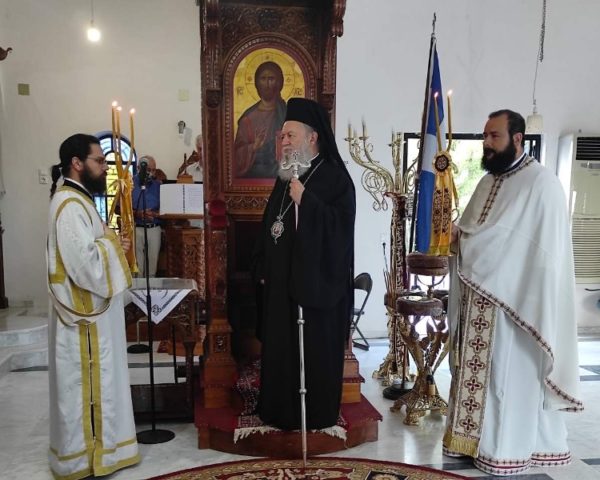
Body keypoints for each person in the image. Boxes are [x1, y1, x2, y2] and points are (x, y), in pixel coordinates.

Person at [443, 110, 583, 476]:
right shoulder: (488, 182)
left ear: (517, 138)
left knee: (507, 378)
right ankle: (469, 441)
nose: (487, 144)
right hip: (481, 301)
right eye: (485, 136)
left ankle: (505, 449)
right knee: (480, 377)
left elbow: (523, 247)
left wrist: (466, 239)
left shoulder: (541, 184)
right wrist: (456, 234)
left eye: (494, 136)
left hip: (519, 307)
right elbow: (479, 231)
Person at [253, 97, 356, 430]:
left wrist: (306, 201)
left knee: (312, 352)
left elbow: (340, 231)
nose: (284, 141)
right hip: (281, 286)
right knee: (281, 348)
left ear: (312, 137)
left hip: (316, 291)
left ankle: (314, 414)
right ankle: (278, 410)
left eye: (291, 135)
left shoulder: (336, 179)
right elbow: (270, 225)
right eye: (282, 136)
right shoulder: (286, 176)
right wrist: (263, 266)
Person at [47, 134, 139, 479]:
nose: (105, 167)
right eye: (99, 161)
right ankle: (87, 456)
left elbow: (93, 244)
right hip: (84, 315)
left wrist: (112, 241)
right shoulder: (69, 205)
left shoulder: (79, 199)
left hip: (94, 309)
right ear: (76, 163)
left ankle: (110, 449)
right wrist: (114, 245)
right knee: (86, 385)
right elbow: (84, 264)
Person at [234, 61, 287, 178]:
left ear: (279, 83)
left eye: (271, 79)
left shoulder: (287, 113)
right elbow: (236, 154)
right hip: (253, 176)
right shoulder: (247, 119)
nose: (267, 84)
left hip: (282, 174)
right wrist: (253, 147)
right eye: (263, 79)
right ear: (257, 83)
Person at [132, 155, 162, 277]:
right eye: (148, 170)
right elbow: (119, 209)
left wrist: (154, 214)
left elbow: (166, 208)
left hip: (154, 228)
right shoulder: (129, 184)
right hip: (136, 228)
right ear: (139, 168)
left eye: (154, 170)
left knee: (152, 269)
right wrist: (138, 214)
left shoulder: (158, 186)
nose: (151, 173)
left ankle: (151, 289)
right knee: (137, 269)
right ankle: (138, 289)